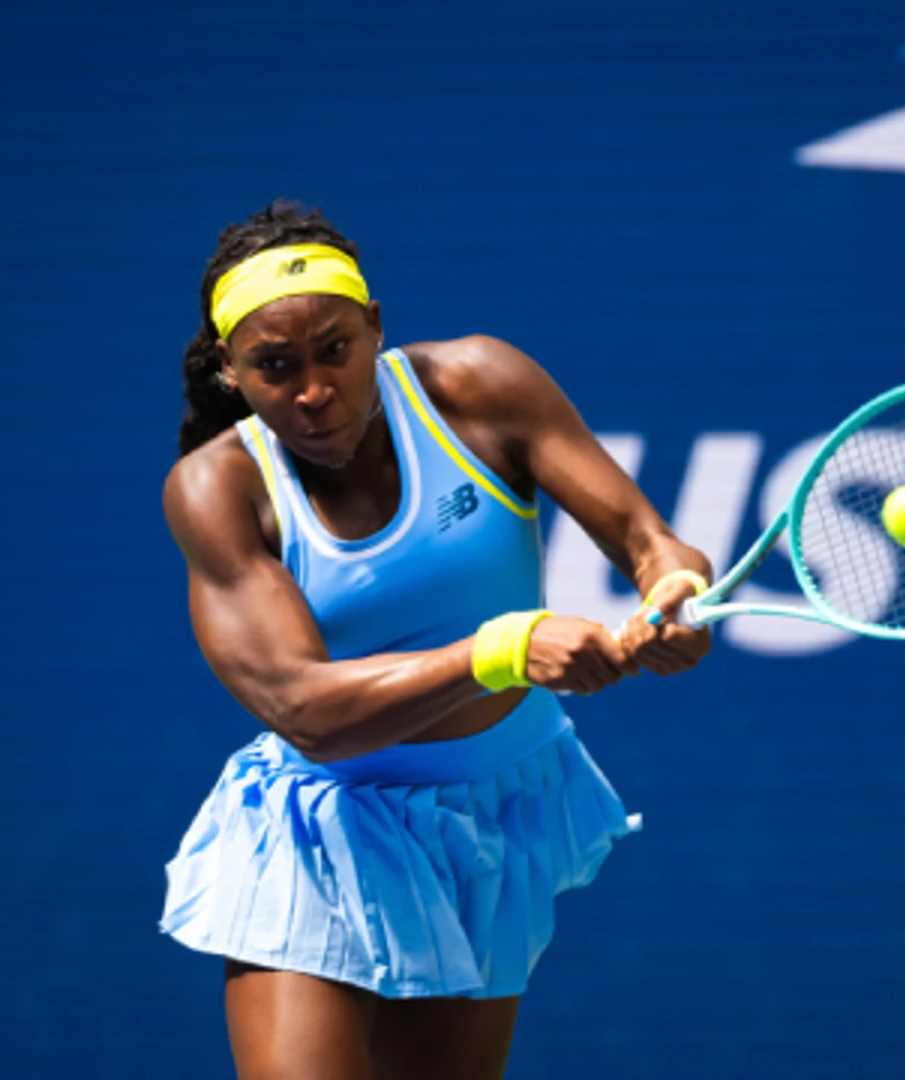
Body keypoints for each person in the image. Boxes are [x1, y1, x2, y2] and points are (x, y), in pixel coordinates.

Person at [158, 199, 712, 1080]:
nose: (312, 390)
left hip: (493, 819)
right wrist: (501, 650)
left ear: (375, 327)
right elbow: (307, 711)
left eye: (335, 350)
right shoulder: (215, 489)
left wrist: (673, 588)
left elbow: (652, 540)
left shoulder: (479, 386)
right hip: (326, 833)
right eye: (274, 368)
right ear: (231, 373)